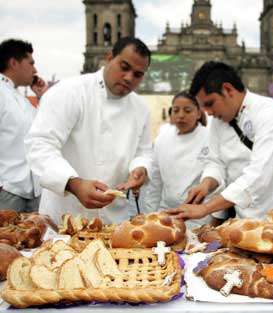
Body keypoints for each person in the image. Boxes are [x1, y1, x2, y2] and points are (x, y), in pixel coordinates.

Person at [25, 37, 152, 224]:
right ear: (109, 58)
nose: (129, 78)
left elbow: (144, 151)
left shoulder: (141, 108)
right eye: (124, 67)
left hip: (114, 220)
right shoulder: (69, 92)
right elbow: (40, 146)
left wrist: (140, 168)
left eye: (138, 74)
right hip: (64, 217)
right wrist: (74, 184)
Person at [167, 61, 273, 221]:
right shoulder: (218, 120)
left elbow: (258, 176)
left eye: (210, 104)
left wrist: (205, 208)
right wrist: (205, 185)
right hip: (242, 216)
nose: (208, 113)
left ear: (228, 90)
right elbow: (215, 162)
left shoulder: (268, 111)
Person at [146, 91, 221, 227]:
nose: (181, 115)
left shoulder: (209, 138)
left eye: (187, 111)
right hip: (166, 214)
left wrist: (214, 221)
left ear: (198, 114)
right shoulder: (162, 139)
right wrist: (150, 215)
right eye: (176, 110)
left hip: (198, 217)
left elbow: (217, 175)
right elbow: (155, 182)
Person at [0, 39, 47, 212]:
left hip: (32, 190)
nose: (35, 70)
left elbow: (41, 131)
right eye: (31, 63)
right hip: (8, 191)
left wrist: (42, 96)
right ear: (13, 63)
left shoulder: (20, 99)